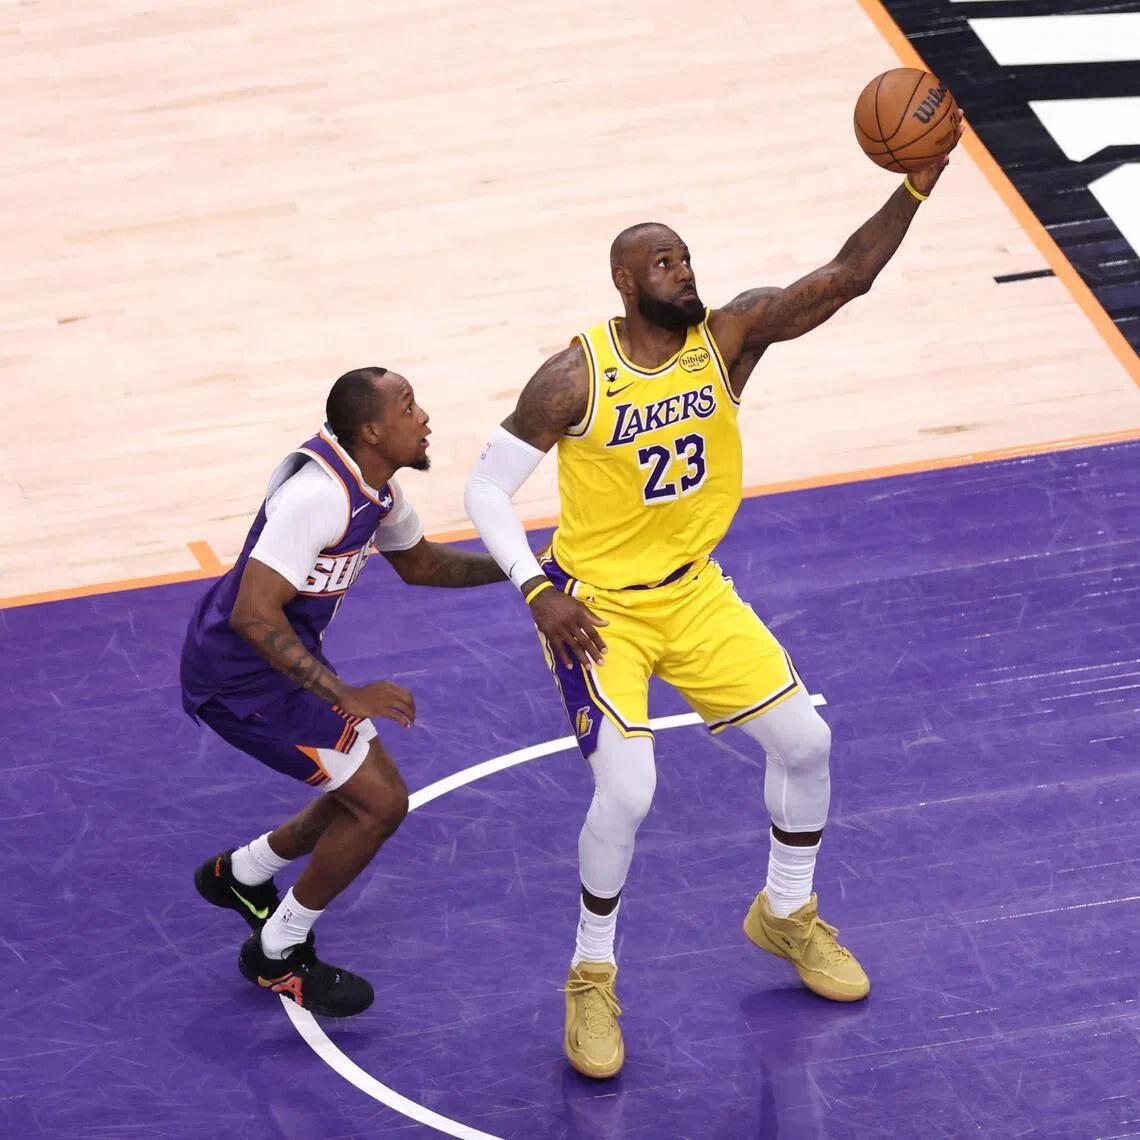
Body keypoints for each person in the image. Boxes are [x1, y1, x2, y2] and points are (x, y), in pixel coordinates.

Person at [463, 127, 962, 1076]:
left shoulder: (726, 340)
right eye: (664, 261)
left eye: (687, 257)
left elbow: (844, 277)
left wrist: (916, 189)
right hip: (598, 609)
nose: (684, 271)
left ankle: (785, 913)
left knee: (808, 744)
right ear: (624, 281)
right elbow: (486, 490)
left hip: (695, 595)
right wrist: (534, 588)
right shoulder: (576, 377)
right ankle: (591, 978)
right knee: (630, 790)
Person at [182, 366, 504, 1018]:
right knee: (381, 802)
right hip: (240, 679)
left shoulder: (375, 491)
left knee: (363, 789)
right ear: (371, 430)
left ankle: (241, 874)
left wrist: (525, 570)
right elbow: (252, 613)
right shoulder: (318, 497)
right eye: (409, 407)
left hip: (281, 665)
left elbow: (423, 564)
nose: (425, 417)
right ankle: (277, 951)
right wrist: (344, 692)